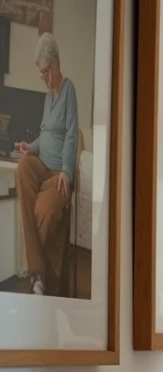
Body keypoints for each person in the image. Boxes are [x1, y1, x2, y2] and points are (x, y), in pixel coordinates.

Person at [15, 32, 78, 296]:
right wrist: (30, 148)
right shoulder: (46, 99)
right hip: (41, 166)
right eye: (40, 73)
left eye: (44, 72)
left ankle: (36, 272)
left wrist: (66, 170)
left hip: (58, 174)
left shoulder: (69, 90)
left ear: (56, 64)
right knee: (22, 166)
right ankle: (39, 270)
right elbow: (45, 136)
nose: (43, 77)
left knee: (44, 209)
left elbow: (72, 134)